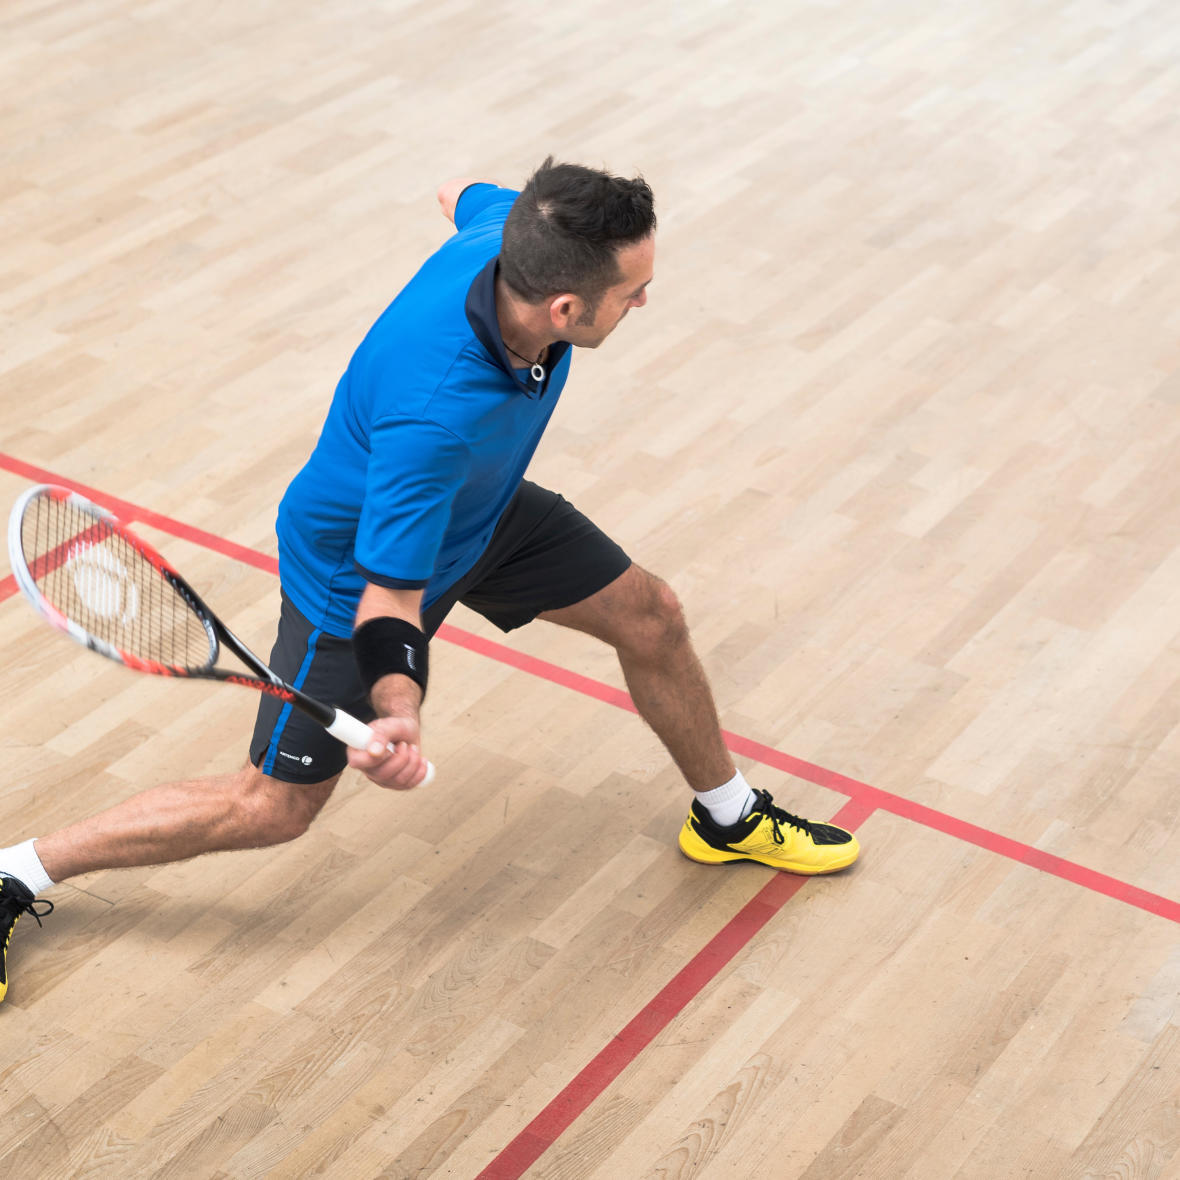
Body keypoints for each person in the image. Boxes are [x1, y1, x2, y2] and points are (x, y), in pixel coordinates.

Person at [0, 159, 859, 1004]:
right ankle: (15, 869)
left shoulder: (507, 230)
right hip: (360, 568)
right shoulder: (436, 417)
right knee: (273, 808)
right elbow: (389, 599)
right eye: (632, 292)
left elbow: (458, 188)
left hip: (479, 512)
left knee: (651, 614)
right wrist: (399, 709)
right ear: (565, 307)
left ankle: (727, 816)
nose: (642, 302)